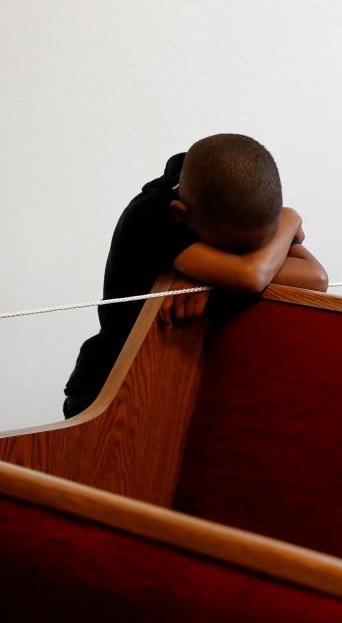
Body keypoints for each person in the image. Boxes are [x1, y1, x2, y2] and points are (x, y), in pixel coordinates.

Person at [62, 133, 328, 418]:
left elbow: (316, 277)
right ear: (181, 215)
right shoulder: (151, 218)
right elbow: (251, 275)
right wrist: (289, 220)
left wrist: (212, 277)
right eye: (235, 250)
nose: (252, 254)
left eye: (259, 248)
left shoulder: (244, 208)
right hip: (110, 387)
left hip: (185, 387)